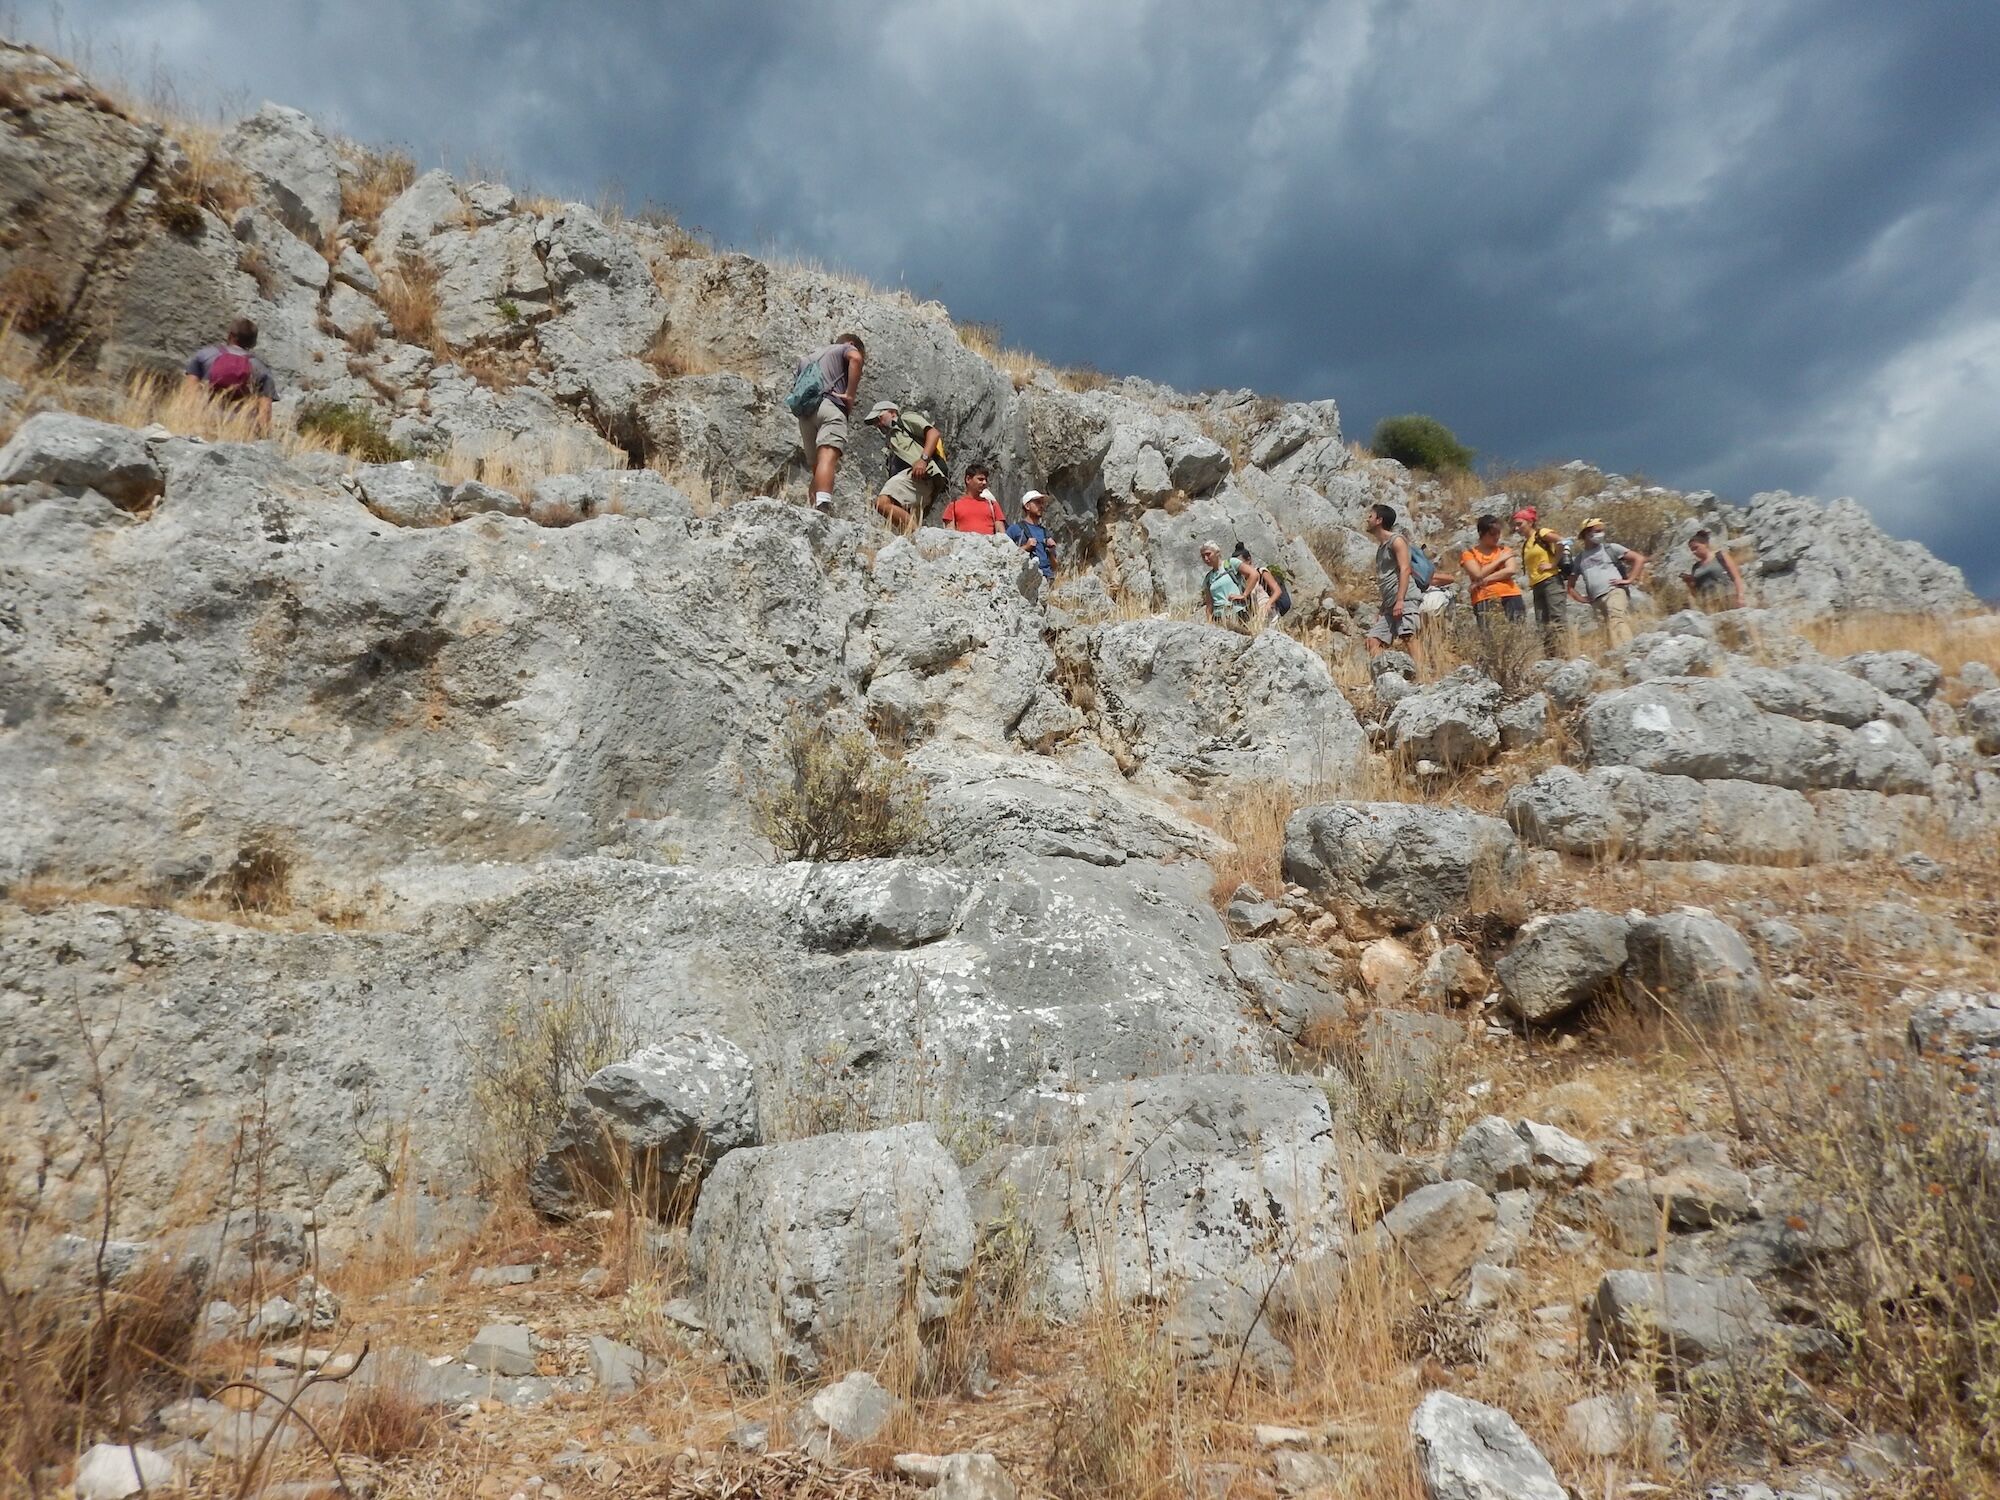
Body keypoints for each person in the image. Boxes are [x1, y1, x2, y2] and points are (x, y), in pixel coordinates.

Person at [790, 333, 866, 512]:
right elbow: (855, 358)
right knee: (827, 456)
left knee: (817, 467)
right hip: (829, 406)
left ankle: (813, 509)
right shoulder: (845, 348)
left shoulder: (807, 359)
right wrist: (850, 395)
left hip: (806, 414)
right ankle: (823, 506)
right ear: (851, 343)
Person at [864, 399, 946, 534]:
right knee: (905, 526)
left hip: (922, 475)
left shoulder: (906, 418)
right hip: (918, 482)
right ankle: (918, 539)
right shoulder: (891, 440)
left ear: (892, 413)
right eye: (874, 422)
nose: (877, 424)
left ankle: (919, 537)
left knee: (882, 503)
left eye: (878, 418)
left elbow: (933, 433)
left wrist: (923, 460)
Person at [184, 317, 277, 431]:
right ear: (253, 343)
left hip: (204, 422)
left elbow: (189, 394)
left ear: (230, 335)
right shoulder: (261, 369)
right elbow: (265, 414)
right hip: (240, 428)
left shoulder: (204, 356)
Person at [1567, 517, 1647, 647]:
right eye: (1597, 531)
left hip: (1614, 591)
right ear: (1586, 533)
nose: (1601, 534)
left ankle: (1627, 650)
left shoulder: (1611, 548)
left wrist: (1629, 580)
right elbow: (1570, 586)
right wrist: (1581, 599)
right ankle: (1616, 654)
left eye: (1602, 531)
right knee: (1605, 629)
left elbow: (1639, 559)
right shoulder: (1579, 559)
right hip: (1596, 600)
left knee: (1616, 619)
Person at [1362, 502, 1420, 656]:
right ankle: (1387, 669)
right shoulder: (1381, 548)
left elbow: (1405, 569)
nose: (1367, 519)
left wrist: (1400, 600)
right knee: (1373, 641)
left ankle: (1421, 670)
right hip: (1390, 604)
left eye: (1370, 516)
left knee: (1408, 636)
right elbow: (1387, 578)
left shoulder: (1397, 541)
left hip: (1405, 599)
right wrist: (1383, 609)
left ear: (1379, 520)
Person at [1512, 506, 1572, 653]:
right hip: (1537, 585)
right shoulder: (1527, 543)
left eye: (1519, 524)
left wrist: (1553, 563)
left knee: (1557, 618)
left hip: (1551, 581)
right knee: (1542, 622)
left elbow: (1563, 541)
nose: (1516, 528)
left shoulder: (1542, 533)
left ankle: (1564, 654)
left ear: (1530, 522)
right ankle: (1551, 656)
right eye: (1515, 525)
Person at [1459, 513, 1526, 628]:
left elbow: (1510, 570)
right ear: (1481, 533)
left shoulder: (1504, 550)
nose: (1496, 537)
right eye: (1492, 534)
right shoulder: (1469, 554)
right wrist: (1499, 560)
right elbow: (1477, 574)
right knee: (1488, 633)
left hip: (1510, 594)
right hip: (1483, 597)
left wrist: (1484, 580)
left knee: (1517, 628)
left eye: (1498, 533)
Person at [1683, 529, 1746, 609]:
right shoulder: (1695, 567)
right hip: (1709, 604)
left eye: (1696, 548)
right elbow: (1696, 593)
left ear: (1705, 544)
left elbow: (1736, 577)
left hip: (1728, 598)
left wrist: (1741, 597)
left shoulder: (1720, 556)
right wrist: (1689, 584)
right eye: (1692, 550)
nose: (1694, 552)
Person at [939, 462, 1007, 534]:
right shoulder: (953, 506)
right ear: (968, 479)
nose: (984, 482)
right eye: (980, 479)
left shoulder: (993, 505)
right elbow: (950, 534)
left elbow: (1001, 534)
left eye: (986, 480)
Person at [1232, 542, 1292, 621]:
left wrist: (1268, 604)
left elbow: (1277, 591)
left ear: (1249, 560)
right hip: (1258, 616)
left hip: (1270, 613)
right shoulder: (1242, 581)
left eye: (1240, 563)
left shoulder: (1261, 572)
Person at [1198, 540, 1251, 627]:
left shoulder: (1231, 563)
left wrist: (1244, 595)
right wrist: (1210, 624)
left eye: (1208, 554)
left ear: (1217, 553)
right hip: (1219, 617)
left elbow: (1253, 574)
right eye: (1203, 556)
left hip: (1237, 613)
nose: (1206, 559)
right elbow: (1209, 605)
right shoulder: (1208, 578)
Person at [1008, 490, 1056, 580]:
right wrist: (1026, 547)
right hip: (1027, 579)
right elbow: (1006, 555)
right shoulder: (1015, 529)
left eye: (1042, 503)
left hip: (1048, 578)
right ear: (1027, 506)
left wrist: (1051, 551)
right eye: (1037, 502)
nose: (1041, 506)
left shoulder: (1045, 532)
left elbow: (1055, 566)